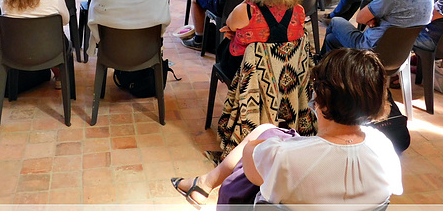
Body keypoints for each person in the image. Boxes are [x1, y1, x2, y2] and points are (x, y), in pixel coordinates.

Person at [170, 48, 402, 208]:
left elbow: (252, 163)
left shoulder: (285, 156)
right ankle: (203, 184)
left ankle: (203, 184)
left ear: (319, 100)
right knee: (268, 131)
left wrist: (271, 140)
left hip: (280, 162)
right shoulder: (384, 148)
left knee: (258, 145)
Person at [217, 0, 306, 77]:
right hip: (284, 71)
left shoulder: (246, 10)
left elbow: (229, 24)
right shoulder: (299, 10)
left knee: (226, 40)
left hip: (247, 72)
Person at [0, 0, 69, 89]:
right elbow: (65, 21)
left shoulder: (3, 1)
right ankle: (60, 76)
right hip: (49, 51)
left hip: (17, 53)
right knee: (58, 37)